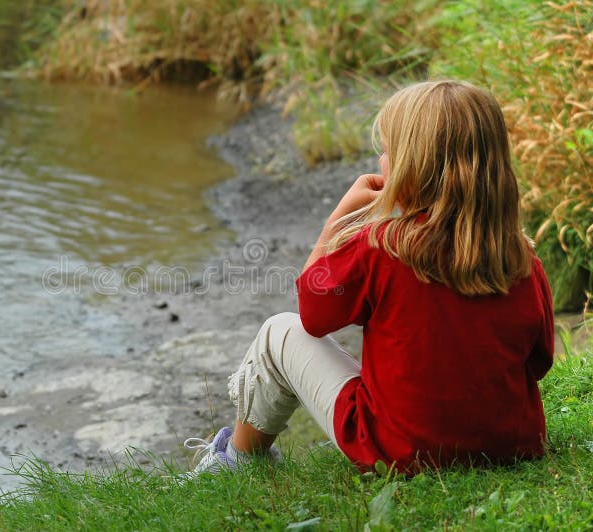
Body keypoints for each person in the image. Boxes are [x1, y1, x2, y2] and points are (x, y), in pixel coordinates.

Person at [183, 80, 554, 476]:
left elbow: (313, 313)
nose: (381, 162)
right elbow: (540, 360)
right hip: (512, 444)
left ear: (413, 168)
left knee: (279, 333)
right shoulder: (520, 260)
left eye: (389, 153)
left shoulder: (383, 247)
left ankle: (237, 460)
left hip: (397, 452)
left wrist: (337, 221)